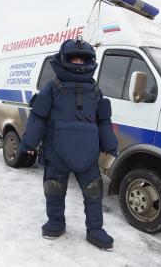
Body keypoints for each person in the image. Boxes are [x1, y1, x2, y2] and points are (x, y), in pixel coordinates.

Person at [18, 36, 118, 250]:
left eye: (83, 60)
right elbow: (38, 118)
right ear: (65, 59)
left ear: (90, 61)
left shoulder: (95, 90)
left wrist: (110, 145)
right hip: (56, 151)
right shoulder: (51, 88)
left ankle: (95, 230)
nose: (79, 63)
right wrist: (27, 144)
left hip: (88, 152)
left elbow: (103, 120)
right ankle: (56, 222)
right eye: (74, 59)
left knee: (93, 191)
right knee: (54, 188)